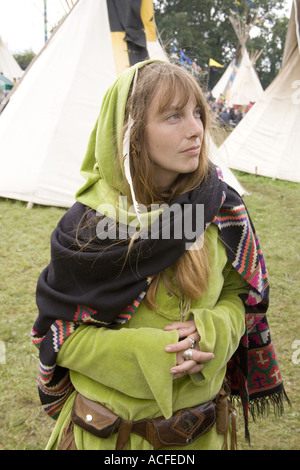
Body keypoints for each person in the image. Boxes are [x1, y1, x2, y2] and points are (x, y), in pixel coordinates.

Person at [32, 60, 288, 451]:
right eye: (173, 116)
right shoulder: (84, 231)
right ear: (131, 134)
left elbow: (240, 299)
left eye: (197, 113)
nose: (196, 129)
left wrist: (213, 331)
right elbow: (60, 337)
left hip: (204, 437)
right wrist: (156, 354)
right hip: (107, 441)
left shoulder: (221, 209)